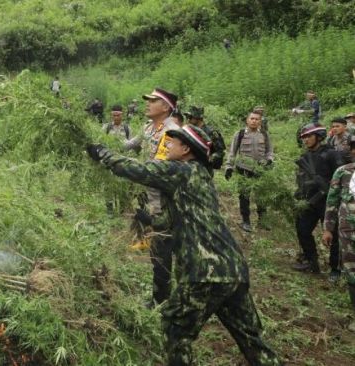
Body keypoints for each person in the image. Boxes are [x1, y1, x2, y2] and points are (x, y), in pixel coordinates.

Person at [86, 125, 281, 366]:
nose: (166, 146)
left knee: (174, 328)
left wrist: (102, 153)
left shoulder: (182, 171)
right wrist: (150, 220)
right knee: (251, 338)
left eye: (172, 143)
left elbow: (138, 169)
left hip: (205, 270)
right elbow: (173, 221)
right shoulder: (199, 175)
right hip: (232, 269)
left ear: (186, 149)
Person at [124, 87, 180, 306]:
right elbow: (129, 145)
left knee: (162, 247)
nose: (147, 103)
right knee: (157, 246)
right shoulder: (149, 127)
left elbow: (158, 168)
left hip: (164, 199)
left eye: (152, 101)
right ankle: (162, 294)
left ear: (166, 107)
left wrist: (121, 165)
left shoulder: (172, 131)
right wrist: (103, 146)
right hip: (149, 193)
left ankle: (161, 299)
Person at [292, 124, 343, 274]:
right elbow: (301, 178)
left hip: (329, 202)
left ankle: (336, 268)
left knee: (334, 236)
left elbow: (342, 177)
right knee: (302, 229)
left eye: (308, 136)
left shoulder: (332, 154)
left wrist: (329, 188)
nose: (305, 140)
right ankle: (311, 262)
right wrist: (300, 193)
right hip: (311, 201)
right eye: (303, 137)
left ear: (319, 136)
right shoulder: (304, 157)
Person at [323, 135, 355, 331]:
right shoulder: (343, 173)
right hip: (348, 233)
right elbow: (332, 201)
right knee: (351, 273)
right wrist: (327, 228)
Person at [225, 112, 274, 232]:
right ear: (247, 120)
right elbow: (232, 152)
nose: (254, 121)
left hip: (260, 169)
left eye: (257, 119)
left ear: (260, 121)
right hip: (243, 169)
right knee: (244, 197)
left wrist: (269, 160)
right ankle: (245, 221)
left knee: (261, 195)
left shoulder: (264, 134)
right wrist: (229, 167)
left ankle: (262, 221)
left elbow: (270, 151)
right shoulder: (240, 134)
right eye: (252, 118)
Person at [185, 105, 226, 171]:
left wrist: (209, 159)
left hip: (205, 168)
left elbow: (220, 151)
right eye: (187, 117)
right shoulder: (190, 130)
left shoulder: (211, 132)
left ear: (198, 118)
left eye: (190, 117)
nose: (188, 119)